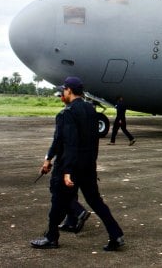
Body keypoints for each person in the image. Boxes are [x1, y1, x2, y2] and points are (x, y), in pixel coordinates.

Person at [30, 76, 125, 251]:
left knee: (57, 201)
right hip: (88, 166)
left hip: (69, 166)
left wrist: (63, 169)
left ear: (69, 91)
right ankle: (116, 234)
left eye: (63, 90)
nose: (61, 93)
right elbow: (93, 142)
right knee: (96, 202)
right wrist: (90, 164)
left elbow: (65, 142)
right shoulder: (91, 111)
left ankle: (51, 237)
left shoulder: (67, 113)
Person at [42, 91, 91, 234]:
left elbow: (59, 141)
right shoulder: (86, 113)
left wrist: (48, 159)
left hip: (65, 160)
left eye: (61, 94)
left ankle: (79, 212)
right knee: (71, 190)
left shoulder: (64, 115)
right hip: (81, 160)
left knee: (57, 190)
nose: (60, 97)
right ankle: (71, 221)